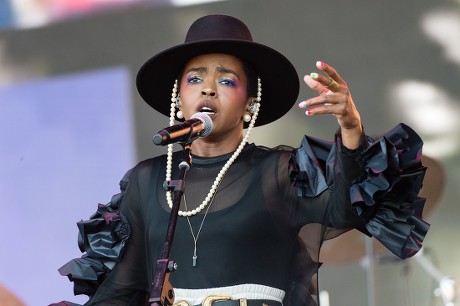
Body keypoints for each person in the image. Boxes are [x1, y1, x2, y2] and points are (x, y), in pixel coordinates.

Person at [55, 14, 429, 306]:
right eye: (194, 78)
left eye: (227, 80)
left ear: (250, 104)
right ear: (179, 97)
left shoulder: (277, 173)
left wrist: (350, 127)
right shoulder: (146, 181)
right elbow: (122, 290)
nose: (207, 87)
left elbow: (348, 209)